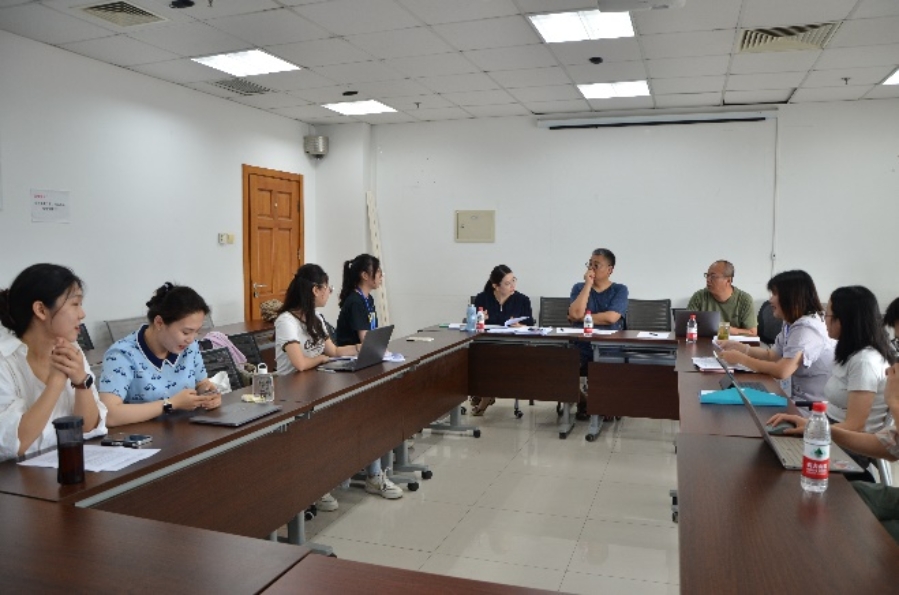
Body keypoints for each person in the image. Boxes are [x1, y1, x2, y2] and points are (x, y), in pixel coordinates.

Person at [769, 363, 899, 543]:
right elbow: (888, 446)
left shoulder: (865, 362)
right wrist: (818, 428)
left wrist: (894, 402)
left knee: (874, 538)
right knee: (848, 496)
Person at [275, 264, 362, 512]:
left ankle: (329, 476)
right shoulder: (286, 321)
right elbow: (301, 364)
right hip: (291, 393)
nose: (329, 292)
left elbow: (334, 351)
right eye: (328, 288)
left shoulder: (316, 318)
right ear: (316, 290)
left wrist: (360, 348)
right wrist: (322, 359)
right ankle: (314, 486)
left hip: (315, 385)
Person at [0, 264, 106, 459]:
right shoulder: (4, 361)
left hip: (68, 464)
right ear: (41, 310)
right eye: (75, 304)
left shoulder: (71, 350)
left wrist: (81, 382)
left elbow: (89, 428)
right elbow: (15, 445)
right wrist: (56, 382)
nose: (82, 314)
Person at [98, 283, 221, 427]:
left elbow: (201, 383)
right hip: (143, 436)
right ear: (159, 322)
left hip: (185, 431)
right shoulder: (122, 355)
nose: (191, 339)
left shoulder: (189, 347)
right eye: (186, 332)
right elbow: (109, 415)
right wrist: (170, 404)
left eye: (197, 332)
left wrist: (208, 394)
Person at [334, 254, 403, 500]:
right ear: (365, 275)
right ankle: (373, 473)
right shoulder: (355, 301)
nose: (382, 276)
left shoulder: (368, 299)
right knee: (372, 412)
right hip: (348, 365)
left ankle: (378, 462)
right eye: (378, 271)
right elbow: (364, 340)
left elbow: (372, 338)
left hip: (363, 362)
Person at [719, 270, 834, 403]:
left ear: (791, 297)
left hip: (808, 406)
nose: (770, 300)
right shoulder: (791, 322)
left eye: (774, 294)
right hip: (791, 396)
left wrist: (742, 359)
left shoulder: (807, 329)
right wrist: (743, 348)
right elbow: (772, 355)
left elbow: (782, 371)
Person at [568, 248, 628, 421]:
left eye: (596, 265)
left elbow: (611, 318)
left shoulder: (619, 290)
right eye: (589, 264)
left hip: (609, 346)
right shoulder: (579, 288)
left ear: (610, 270)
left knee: (607, 368)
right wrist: (587, 285)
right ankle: (585, 401)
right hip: (581, 345)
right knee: (561, 367)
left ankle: (605, 401)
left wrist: (584, 318)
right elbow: (574, 313)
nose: (591, 269)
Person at [469, 265, 534, 416]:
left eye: (514, 281)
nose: (513, 286)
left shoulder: (522, 300)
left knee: (495, 358)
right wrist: (480, 319)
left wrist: (522, 325)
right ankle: (484, 392)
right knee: (476, 355)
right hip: (486, 343)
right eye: (507, 283)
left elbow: (530, 323)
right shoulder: (482, 298)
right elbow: (473, 322)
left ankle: (485, 395)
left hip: (513, 345)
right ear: (496, 286)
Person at [687, 260, 757, 336]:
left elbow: (752, 332)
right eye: (707, 275)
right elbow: (687, 325)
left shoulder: (744, 300)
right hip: (705, 341)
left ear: (728, 281)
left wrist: (723, 329)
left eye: (713, 276)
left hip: (734, 343)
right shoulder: (699, 297)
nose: (708, 280)